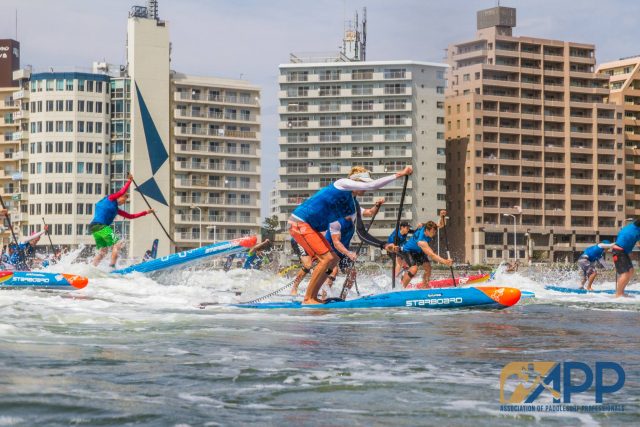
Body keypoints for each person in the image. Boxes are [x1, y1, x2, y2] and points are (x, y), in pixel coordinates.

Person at [289, 165, 410, 304]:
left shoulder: (353, 206)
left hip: (311, 228)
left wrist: (384, 245)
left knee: (333, 259)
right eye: (363, 184)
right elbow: (373, 185)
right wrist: (400, 174)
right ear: (356, 181)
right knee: (327, 258)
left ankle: (314, 296)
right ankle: (308, 298)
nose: (365, 188)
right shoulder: (342, 184)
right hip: (300, 222)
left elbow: (361, 233)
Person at [90, 173, 153, 268]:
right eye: (124, 199)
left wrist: (146, 212)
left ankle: (92, 267)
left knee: (103, 251)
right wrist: (129, 181)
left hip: (94, 227)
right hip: (100, 226)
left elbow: (131, 216)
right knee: (117, 244)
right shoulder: (110, 198)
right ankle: (112, 267)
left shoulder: (116, 209)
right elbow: (121, 191)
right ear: (120, 197)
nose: (124, 202)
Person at [399, 210, 453, 288]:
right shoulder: (421, 241)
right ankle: (401, 288)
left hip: (418, 251)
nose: (434, 234)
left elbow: (441, 224)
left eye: (435, 232)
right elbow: (432, 255)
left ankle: (425, 286)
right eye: (433, 232)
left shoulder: (427, 227)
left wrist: (442, 217)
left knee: (428, 268)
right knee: (414, 269)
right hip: (408, 251)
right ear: (427, 231)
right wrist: (445, 262)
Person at [611, 219, 640, 297]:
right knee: (625, 273)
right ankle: (618, 294)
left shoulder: (631, 226)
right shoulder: (636, 230)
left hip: (621, 252)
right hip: (618, 252)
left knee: (631, 271)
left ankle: (621, 292)